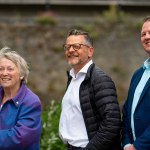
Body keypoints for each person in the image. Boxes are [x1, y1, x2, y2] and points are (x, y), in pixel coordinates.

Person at [59, 29, 121, 150]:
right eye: (67, 47)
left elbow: (112, 124)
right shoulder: (72, 78)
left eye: (76, 46)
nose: (71, 50)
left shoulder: (100, 80)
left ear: (90, 51)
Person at [0, 47, 42, 150]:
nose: (4, 73)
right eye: (1, 69)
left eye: (10, 69)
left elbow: (18, 138)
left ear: (22, 75)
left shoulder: (31, 102)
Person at [122, 16, 150, 150]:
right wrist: (127, 143)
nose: (146, 37)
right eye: (143, 34)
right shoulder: (138, 74)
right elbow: (127, 112)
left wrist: (138, 146)